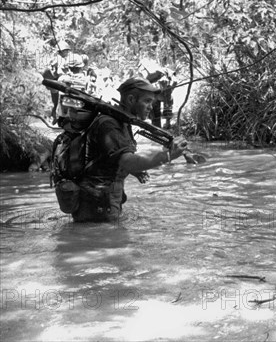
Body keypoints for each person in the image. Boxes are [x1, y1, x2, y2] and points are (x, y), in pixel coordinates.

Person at [72, 78, 188, 223]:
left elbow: (108, 157)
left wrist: (133, 170)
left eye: (152, 102)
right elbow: (127, 160)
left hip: (102, 200)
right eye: (147, 101)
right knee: (107, 242)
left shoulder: (121, 122)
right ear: (131, 99)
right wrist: (168, 155)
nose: (150, 107)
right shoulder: (109, 124)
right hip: (97, 203)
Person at [42, 40, 72, 121]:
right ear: (62, 51)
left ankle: (54, 115)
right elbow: (59, 72)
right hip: (56, 82)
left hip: (51, 82)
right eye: (66, 51)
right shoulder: (61, 59)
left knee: (55, 100)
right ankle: (57, 116)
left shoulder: (54, 58)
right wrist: (67, 75)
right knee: (59, 100)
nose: (67, 53)